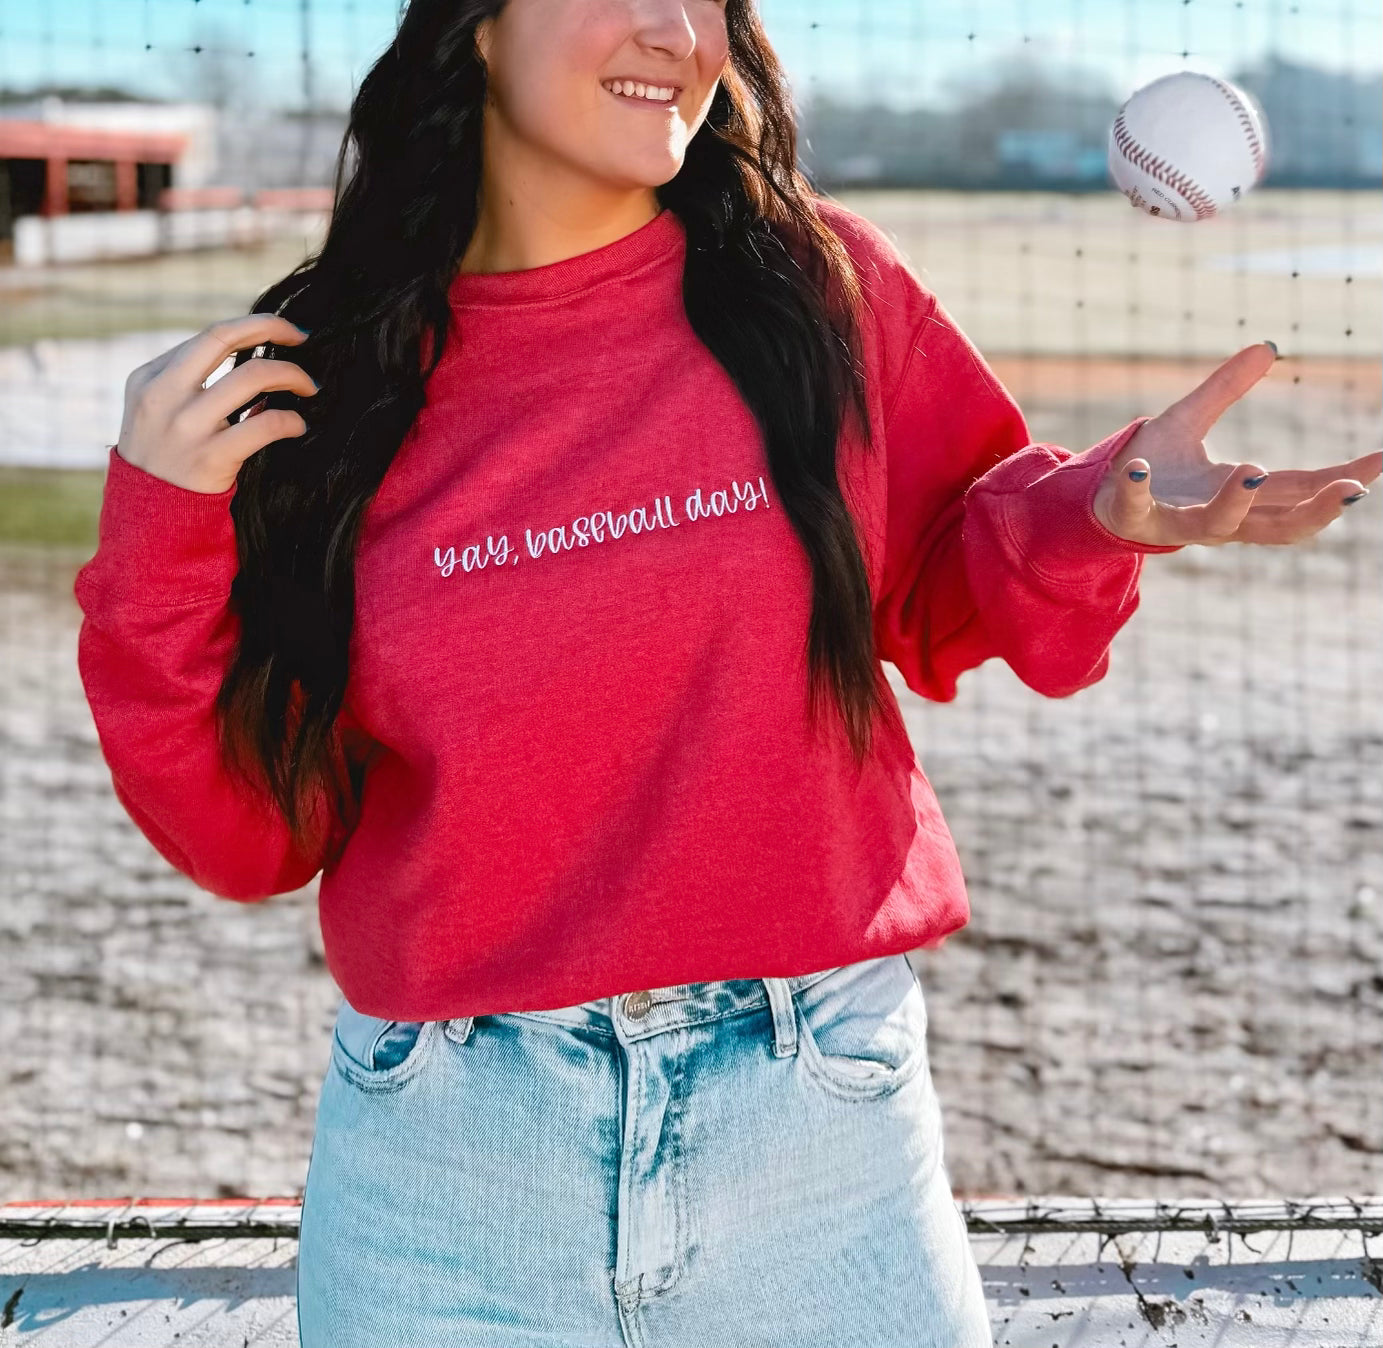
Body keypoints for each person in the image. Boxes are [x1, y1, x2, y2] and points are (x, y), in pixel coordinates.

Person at [72, 1, 1378, 1345]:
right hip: (447, 1174)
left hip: (817, 1140)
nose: (674, 26)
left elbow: (943, 579)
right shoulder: (326, 383)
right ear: (475, 26)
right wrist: (163, 536)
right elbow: (249, 833)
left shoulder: (815, 292)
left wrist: (1102, 510)